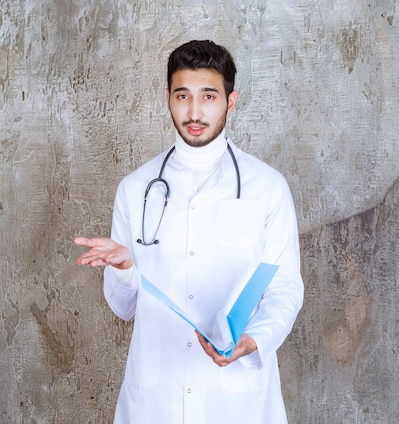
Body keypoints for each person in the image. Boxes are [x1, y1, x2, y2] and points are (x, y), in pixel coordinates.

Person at [75, 40, 303, 424]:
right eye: (183, 95)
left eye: (209, 96)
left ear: (231, 101)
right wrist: (124, 267)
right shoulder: (136, 189)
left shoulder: (267, 187)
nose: (195, 111)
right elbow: (123, 307)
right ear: (167, 98)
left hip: (237, 402)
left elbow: (284, 289)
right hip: (154, 400)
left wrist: (255, 339)